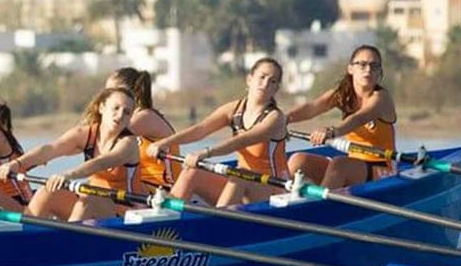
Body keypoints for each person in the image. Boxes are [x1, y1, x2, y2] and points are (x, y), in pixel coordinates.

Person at [146, 58, 288, 207]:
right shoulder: (234, 109)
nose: (265, 84)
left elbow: (241, 141)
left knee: (241, 175)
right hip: (242, 182)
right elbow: (201, 129)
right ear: (249, 79)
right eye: (262, 77)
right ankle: (169, 220)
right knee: (192, 171)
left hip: (274, 189)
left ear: (276, 88)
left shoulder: (275, 118)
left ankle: (219, 221)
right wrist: (163, 143)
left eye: (272, 81)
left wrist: (205, 153)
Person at [0, 87, 142, 221]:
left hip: (125, 210)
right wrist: (16, 164)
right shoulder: (85, 133)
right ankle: (25, 239)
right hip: (92, 200)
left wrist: (67, 175)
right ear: (102, 107)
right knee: (48, 191)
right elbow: (50, 149)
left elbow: (100, 163)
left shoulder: (129, 143)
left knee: (88, 200)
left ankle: (67, 243)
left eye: (127, 112)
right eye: (116, 108)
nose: (120, 114)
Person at [286, 45, 397, 188]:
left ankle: (321, 206)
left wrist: (332, 132)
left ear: (379, 72)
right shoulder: (343, 94)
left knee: (339, 164)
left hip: (383, 167)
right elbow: (313, 108)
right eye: (362, 64)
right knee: (298, 160)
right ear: (350, 69)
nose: (368, 70)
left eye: (374, 66)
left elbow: (359, 118)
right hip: (354, 164)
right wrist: (283, 119)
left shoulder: (381, 98)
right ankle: (284, 204)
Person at [105, 67, 181, 190]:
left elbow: (104, 137)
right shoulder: (129, 117)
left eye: (110, 92)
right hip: (140, 186)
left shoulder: (144, 117)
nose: (105, 97)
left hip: (164, 191)